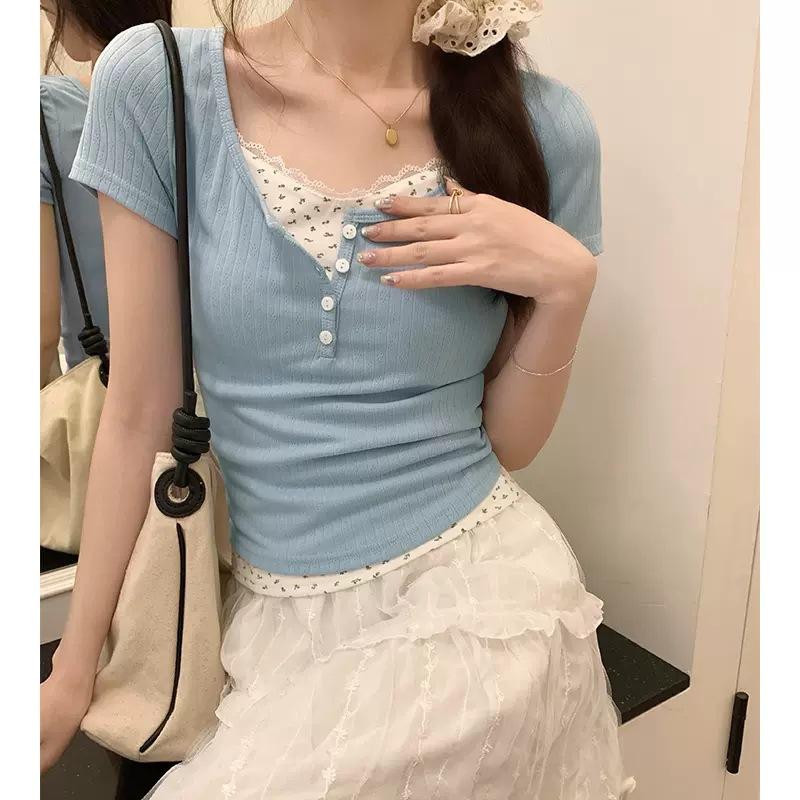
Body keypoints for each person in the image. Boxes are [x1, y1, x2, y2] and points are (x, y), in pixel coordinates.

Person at [41, 1, 636, 797]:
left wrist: (566, 293)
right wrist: (73, 669)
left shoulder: (543, 126)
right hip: (267, 624)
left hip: (480, 610)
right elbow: (136, 413)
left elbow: (510, 444)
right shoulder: (160, 86)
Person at [39, 0, 172, 388]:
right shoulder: (206, 93)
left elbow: (39, 332)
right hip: (217, 397)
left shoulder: (45, 111)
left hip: (105, 393)